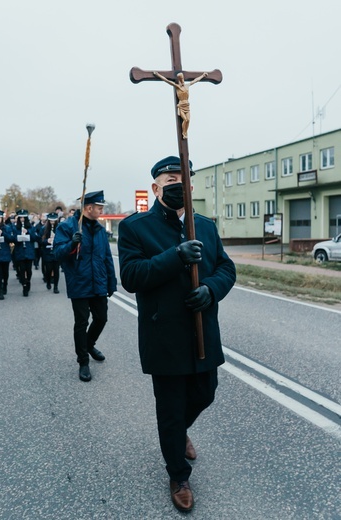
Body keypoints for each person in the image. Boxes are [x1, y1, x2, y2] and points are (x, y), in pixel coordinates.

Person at [118, 156, 236, 512]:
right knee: (170, 409)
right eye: (170, 178)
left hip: (203, 331)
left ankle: (177, 433)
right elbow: (132, 277)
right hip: (164, 334)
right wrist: (175, 256)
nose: (177, 184)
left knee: (205, 393)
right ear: (155, 187)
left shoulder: (206, 226)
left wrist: (212, 289)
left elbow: (227, 268)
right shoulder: (135, 227)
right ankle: (178, 474)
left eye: (182, 177)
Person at [54, 190, 117, 382]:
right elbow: (57, 254)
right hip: (79, 282)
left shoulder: (99, 229)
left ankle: (89, 345)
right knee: (81, 323)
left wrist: (111, 281)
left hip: (98, 281)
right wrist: (71, 245)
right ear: (88, 208)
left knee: (101, 318)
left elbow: (106, 256)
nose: (101, 210)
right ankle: (83, 361)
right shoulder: (68, 227)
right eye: (99, 207)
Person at [153, 71, 208, 139]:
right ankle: (184, 133)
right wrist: (158, 75)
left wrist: (202, 75)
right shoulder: (177, 87)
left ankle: (185, 132)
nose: (182, 80)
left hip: (187, 105)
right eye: (180, 78)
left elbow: (196, 80)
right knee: (185, 120)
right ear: (179, 79)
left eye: (182, 78)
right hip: (181, 105)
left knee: (188, 120)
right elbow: (167, 80)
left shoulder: (187, 86)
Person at [13, 209, 38, 296]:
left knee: (29, 270)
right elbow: (14, 239)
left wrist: (28, 232)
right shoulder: (16, 227)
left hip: (29, 251)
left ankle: (28, 281)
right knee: (22, 270)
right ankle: (24, 285)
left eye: (24, 217)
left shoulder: (31, 227)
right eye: (21, 217)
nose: (22, 219)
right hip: (20, 251)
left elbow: (35, 238)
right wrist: (19, 236)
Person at [0, 209, 14, 299]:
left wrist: (3, 234)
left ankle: (5, 284)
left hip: (5, 253)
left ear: (2, 218)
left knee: (5, 273)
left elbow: (11, 239)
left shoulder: (7, 228)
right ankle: (0, 291)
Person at [40, 212, 60, 293]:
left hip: (56, 252)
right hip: (47, 252)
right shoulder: (43, 229)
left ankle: (56, 286)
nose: (52, 223)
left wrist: (56, 240)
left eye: (54, 221)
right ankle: (48, 281)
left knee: (56, 270)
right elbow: (40, 241)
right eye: (51, 221)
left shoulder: (59, 228)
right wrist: (47, 241)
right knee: (48, 270)